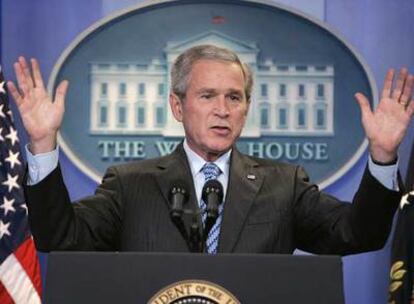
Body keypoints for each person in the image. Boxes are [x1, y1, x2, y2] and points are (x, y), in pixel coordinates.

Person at [6, 45, 414, 254]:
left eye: (235, 98)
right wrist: (43, 144)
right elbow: (60, 238)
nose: (223, 110)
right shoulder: (130, 185)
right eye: (207, 96)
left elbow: (357, 234)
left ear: (247, 107)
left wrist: (381, 157)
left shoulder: (283, 186)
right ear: (177, 106)